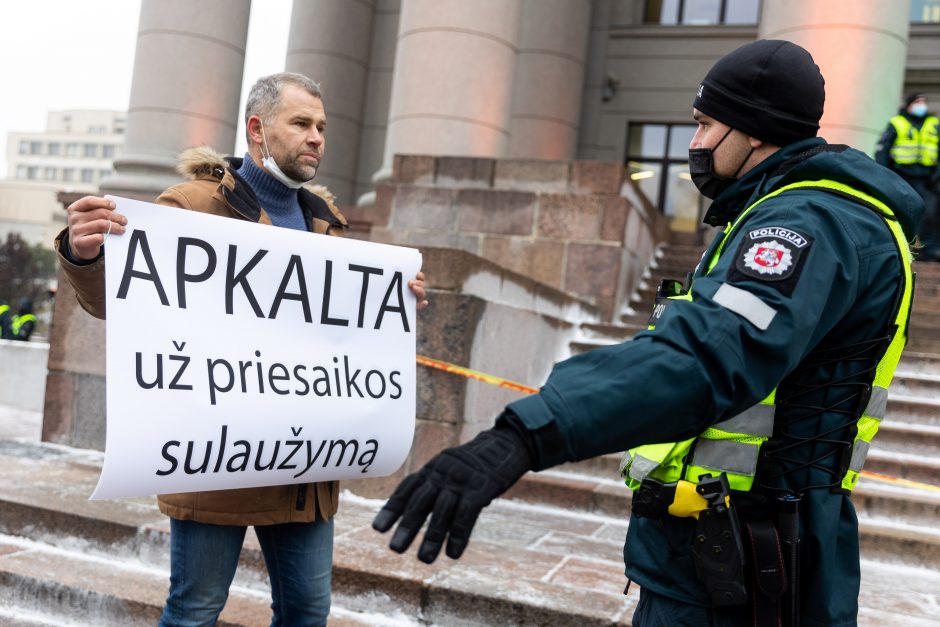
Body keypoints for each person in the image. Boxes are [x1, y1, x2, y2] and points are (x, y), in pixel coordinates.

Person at [372, 40, 922, 627]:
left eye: (705, 124)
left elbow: (707, 356)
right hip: (731, 551)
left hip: (745, 566)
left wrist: (525, 434)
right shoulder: (804, 214)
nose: (695, 144)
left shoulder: (806, 223)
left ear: (755, 131)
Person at [56, 72, 428, 627]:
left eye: (321, 126)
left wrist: (390, 300)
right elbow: (123, 301)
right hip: (217, 464)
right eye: (301, 123)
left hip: (304, 468)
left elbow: (336, 337)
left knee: (307, 613)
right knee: (196, 610)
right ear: (258, 129)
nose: (317, 137)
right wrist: (86, 257)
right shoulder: (193, 206)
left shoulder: (326, 227)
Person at [876, 92, 939, 259]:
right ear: (909, 104)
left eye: (924, 102)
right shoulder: (897, 123)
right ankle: (899, 245)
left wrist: (937, 175)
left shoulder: (934, 124)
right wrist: (885, 176)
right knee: (900, 211)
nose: (921, 105)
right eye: (918, 102)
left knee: (931, 213)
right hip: (902, 177)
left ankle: (930, 249)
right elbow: (883, 151)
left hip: (928, 179)